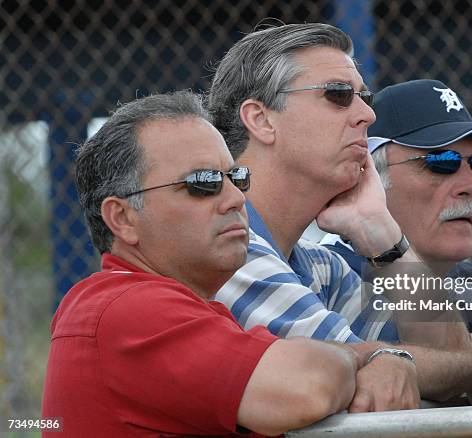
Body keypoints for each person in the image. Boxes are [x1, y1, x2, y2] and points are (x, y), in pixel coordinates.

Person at [41, 91, 411, 437]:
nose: (235, 198)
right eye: (203, 183)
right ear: (122, 218)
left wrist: (386, 349)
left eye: (235, 177)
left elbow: (453, 353)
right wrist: (376, 357)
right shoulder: (124, 306)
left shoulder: (303, 267)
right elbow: (305, 387)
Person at [207, 22, 472, 405]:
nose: (367, 115)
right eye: (339, 94)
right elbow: (378, 368)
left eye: (364, 97)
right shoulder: (229, 250)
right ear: (261, 120)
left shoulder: (315, 263)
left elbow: (439, 355)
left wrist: (381, 232)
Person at [322, 79, 472, 341]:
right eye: (441, 162)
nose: (471, 185)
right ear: (368, 178)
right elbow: (437, 364)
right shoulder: (329, 277)